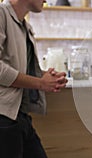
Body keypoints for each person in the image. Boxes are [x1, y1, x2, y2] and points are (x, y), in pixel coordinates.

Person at [0, 0, 68, 157]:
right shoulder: (1, 14)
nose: (46, 0)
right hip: (4, 118)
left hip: (20, 117)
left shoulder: (25, 26)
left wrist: (46, 77)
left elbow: (18, 69)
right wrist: (40, 83)